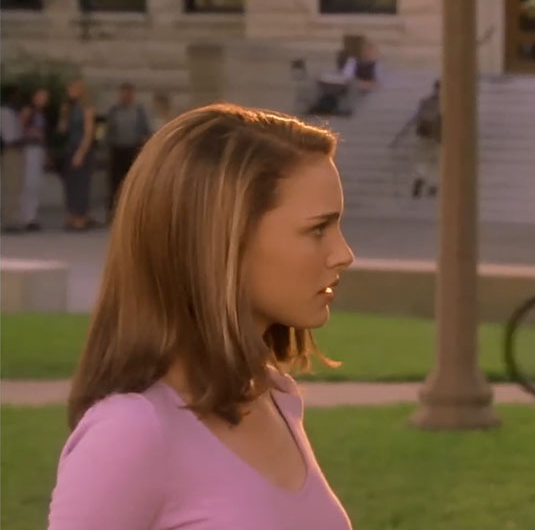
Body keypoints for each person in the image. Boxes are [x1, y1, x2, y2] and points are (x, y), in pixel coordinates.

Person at [48, 104, 355, 530]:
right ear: (222, 240)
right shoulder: (132, 433)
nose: (344, 254)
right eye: (318, 229)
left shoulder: (275, 397)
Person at [105, 82, 152, 217]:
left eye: (128, 94)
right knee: (115, 183)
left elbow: (145, 131)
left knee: (132, 182)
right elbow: (108, 130)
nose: (125, 96)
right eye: (123, 93)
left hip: (133, 150)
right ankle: (114, 213)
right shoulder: (114, 111)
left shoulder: (139, 111)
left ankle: (132, 212)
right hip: (117, 150)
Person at [391, 79, 441, 199]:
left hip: (424, 135)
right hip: (439, 136)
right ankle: (433, 184)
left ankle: (421, 177)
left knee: (424, 160)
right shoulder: (448, 102)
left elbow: (417, 117)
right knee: (436, 162)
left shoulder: (425, 101)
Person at [58, 80, 98, 231]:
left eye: (72, 88)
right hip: (70, 147)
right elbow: (62, 130)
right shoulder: (70, 107)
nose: (69, 91)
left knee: (81, 184)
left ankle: (81, 218)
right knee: (71, 184)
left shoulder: (87, 108)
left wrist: (81, 153)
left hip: (82, 148)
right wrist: (63, 115)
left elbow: (88, 134)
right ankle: (72, 216)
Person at [18, 87, 51, 231]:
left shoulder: (42, 114)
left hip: (39, 149)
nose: (43, 100)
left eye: (45, 98)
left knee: (37, 184)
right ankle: (26, 217)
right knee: (29, 183)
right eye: (41, 97)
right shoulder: (29, 111)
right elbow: (20, 128)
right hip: (29, 149)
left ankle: (32, 216)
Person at [1, 84, 24, 233]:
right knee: (12, 186)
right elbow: (11, 137)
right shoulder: (7, 113)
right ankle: (9, 221)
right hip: (10, 151)